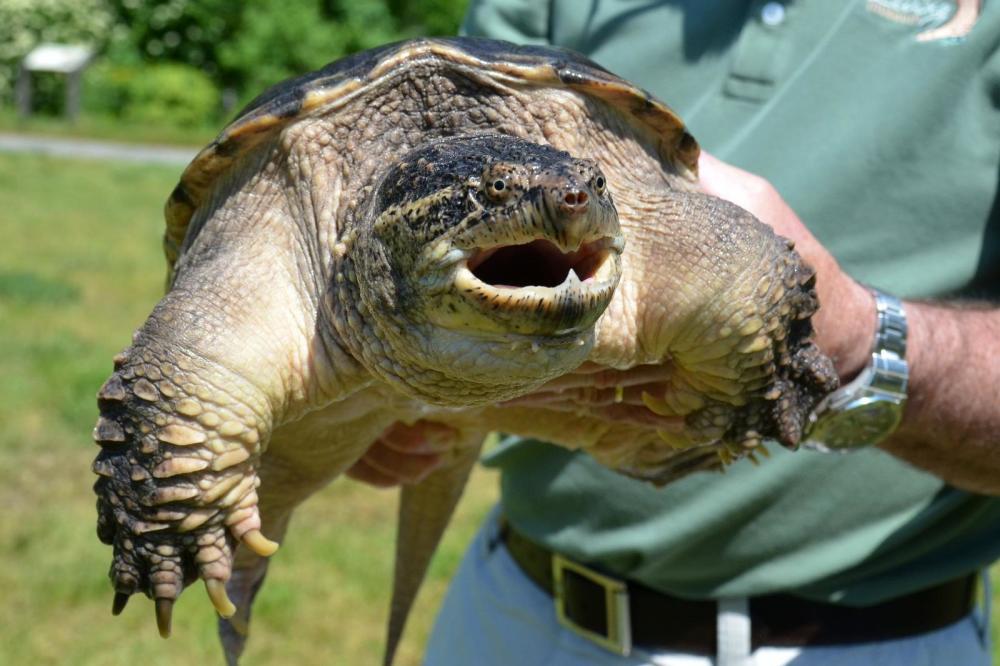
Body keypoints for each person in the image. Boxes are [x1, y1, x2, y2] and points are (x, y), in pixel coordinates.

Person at [349, 1, 1000, 663]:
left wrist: (861, 342)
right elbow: (428, 203)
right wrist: (363, 387)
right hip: (521, 611)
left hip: (867, 639)